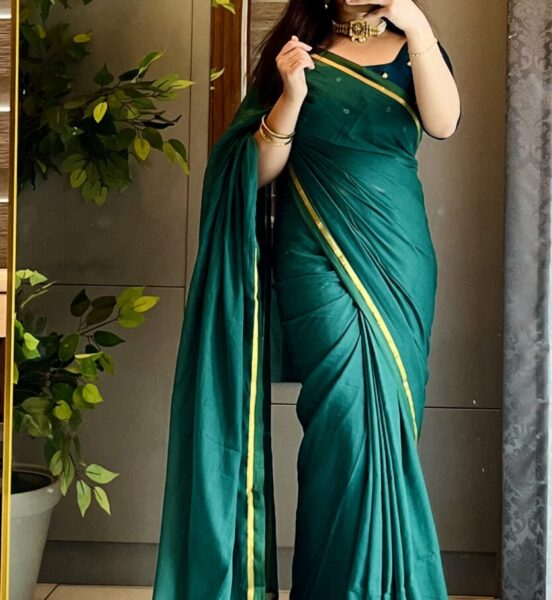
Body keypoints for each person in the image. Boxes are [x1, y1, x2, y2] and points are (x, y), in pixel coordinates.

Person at [152, 0, 461, 598]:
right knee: (343, 425)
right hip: (315, 257)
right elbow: (255, 170)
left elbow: (444, 122)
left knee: (389, 426)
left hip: (398, 257)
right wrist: (291, 95)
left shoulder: (415, 47)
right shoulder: (296, 52)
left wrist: (416, 23)